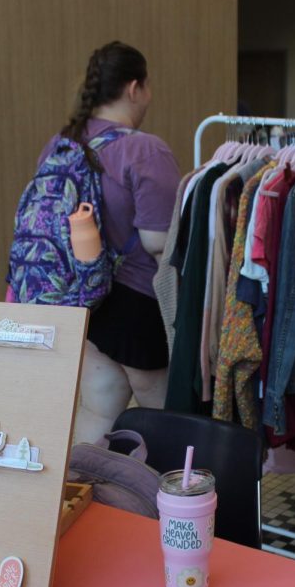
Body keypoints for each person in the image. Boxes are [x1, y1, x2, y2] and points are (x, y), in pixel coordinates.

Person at [39, 42, 181, 445]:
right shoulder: (145, 149)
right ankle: (168, 505)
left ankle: (81, 496)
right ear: (134, 88)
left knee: (99, 406)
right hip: (135, 302)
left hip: (79, 297)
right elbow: (158, 241)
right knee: (165, 418)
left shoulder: (61, 144)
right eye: (148, 87)